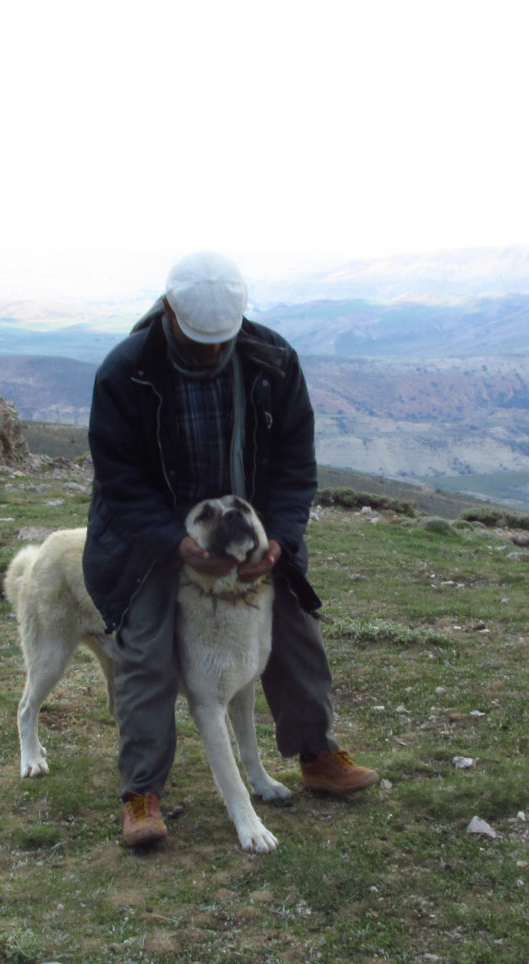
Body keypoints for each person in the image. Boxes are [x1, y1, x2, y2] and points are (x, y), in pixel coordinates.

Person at [83, 251, 379, 847]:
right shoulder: (126, 372)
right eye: (199, 344)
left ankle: (316, 754)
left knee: (294, 622)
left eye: (222, 342)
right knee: (147, 649)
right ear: (168, 314)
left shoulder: (272, 361)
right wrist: (178, 544)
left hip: (247, 525)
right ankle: (142, 793)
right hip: (156, 532)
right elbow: (119, 479)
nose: (213, 353)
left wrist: (280, 542)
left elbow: (296, 467)